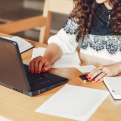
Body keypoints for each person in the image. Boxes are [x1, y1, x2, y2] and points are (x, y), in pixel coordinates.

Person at [29, 0, 121, 82]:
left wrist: (117, 67)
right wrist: (47, 59)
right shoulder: (87, 4)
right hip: (92, 82)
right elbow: (64, 39)